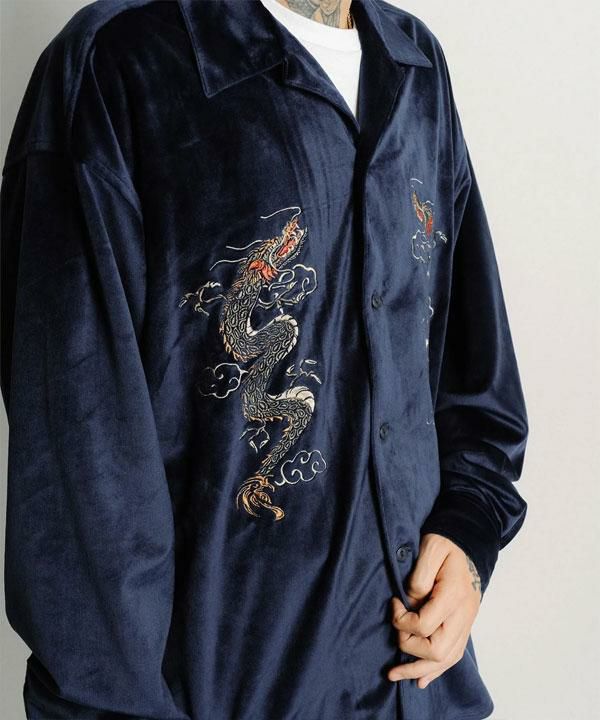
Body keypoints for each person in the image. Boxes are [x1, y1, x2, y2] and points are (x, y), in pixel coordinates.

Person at [0, 1, 529, 719]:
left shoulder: (414, 64)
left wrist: (468, 535)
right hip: (225, 695)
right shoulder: (119, 64)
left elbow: (476, 376)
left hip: (423, 692)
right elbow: (78, 482)